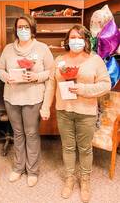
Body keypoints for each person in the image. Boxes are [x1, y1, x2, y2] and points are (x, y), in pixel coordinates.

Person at [40, 25, 111, 203]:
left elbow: (105, 84)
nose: (76, 41)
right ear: (67, 40)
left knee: (85, 148)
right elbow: (51, 84)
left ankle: (85, 181)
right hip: (64, 111)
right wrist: (46, 106)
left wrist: (83, 89)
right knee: (68, 147)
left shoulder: (95, 60)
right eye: (72, 37)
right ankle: (70, 178)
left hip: (86, 112)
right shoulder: (59, 61)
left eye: (80, 38)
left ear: (86, 41)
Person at [0, 14, 54, 187]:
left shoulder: (42, 48)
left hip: (33, 98)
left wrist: (36, 76)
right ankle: (18, 167)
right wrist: (6, 76)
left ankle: (33, 170)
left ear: (32, 29)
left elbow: (51, 72)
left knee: (31, 134)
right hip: (12, 98)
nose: (23, 30)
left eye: (26, 27)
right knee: (18, 134)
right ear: (15, 29)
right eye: (20, 27)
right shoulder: (8, 49)